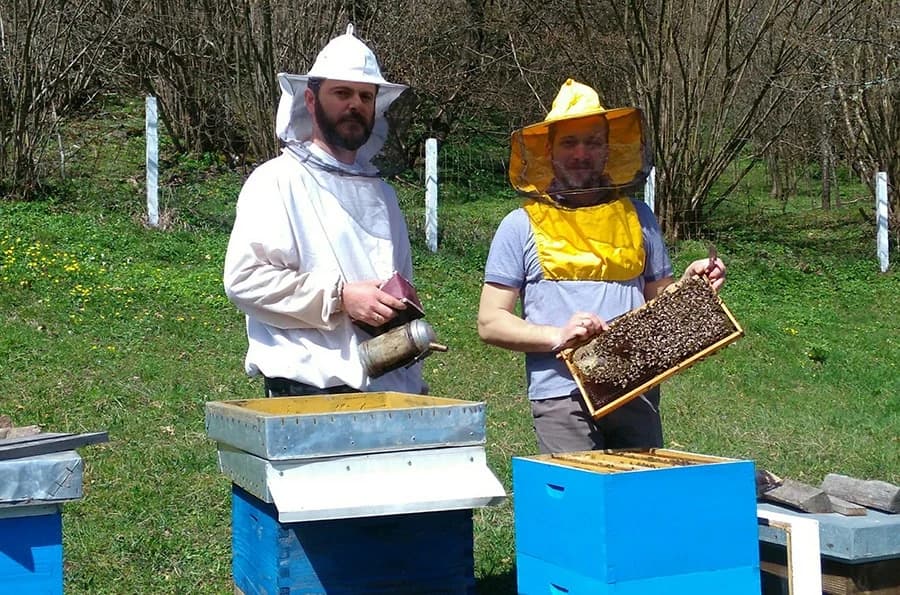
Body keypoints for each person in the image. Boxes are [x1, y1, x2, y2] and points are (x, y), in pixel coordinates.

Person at [477, 79, 725, 454]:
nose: (581, 153)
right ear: (549, 150)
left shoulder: (639, 217)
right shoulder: (520, 225)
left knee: (639, 501)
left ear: (608, 149)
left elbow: (660, 301)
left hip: (636, 386)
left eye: (592, 142)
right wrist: (558, 335)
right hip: (562, 395)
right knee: (580, 506)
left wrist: (691, 287)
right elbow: (490, 321)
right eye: (569, 142)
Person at [223, 25, 425, 397]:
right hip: (307, 391)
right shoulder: (277, 180)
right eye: (342, 93)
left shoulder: (384, 195)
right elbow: (244, 281)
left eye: (366, 96)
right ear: (312, 101)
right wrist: (340, 297)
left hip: (386, 388)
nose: (355, 105)